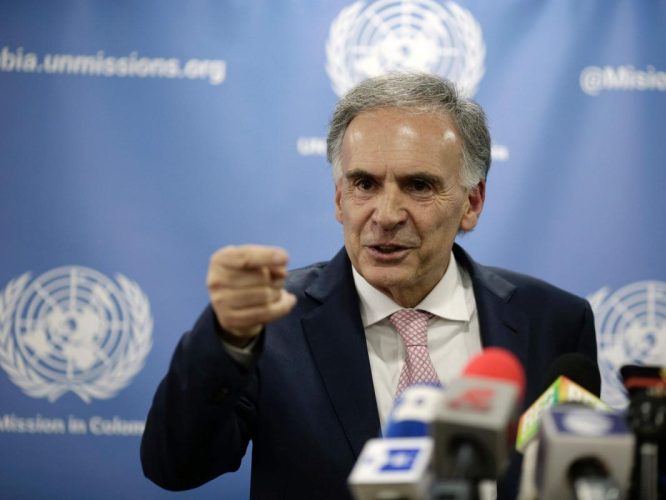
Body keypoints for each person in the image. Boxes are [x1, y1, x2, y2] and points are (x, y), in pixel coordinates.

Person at [140, 72, 598, 499]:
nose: (387, 215)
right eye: (364, 184)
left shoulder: (554, 322)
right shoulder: (272, 324)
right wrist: (226, 341)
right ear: (340, 198)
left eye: (419, 185)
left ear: (472, 203)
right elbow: (175, 467)